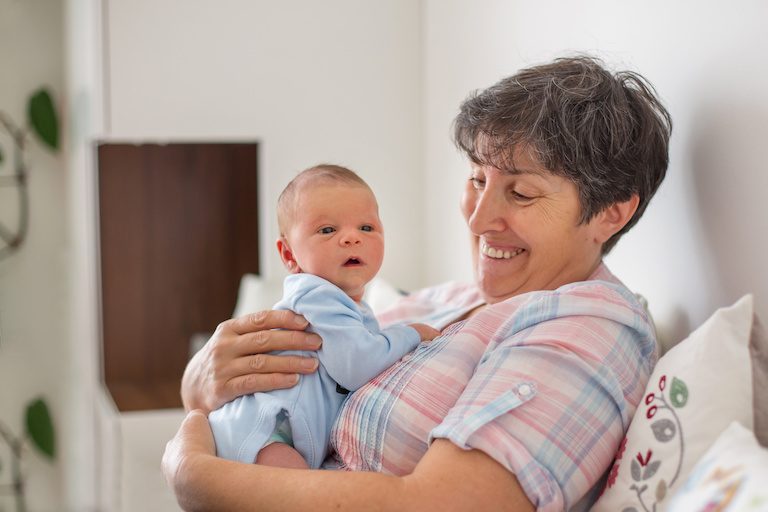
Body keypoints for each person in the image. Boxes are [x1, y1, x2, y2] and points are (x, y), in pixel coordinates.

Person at [163, 55, 672, 511]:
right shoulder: (451, 299)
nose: (476, 220)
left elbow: (443, 504)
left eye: (520, 193)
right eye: (477, 180)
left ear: (611, 212)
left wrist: (195, 474)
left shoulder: (589, 328)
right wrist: (200, 381)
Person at [208, 164, 439, 469]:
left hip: (277, 433)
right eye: (328, 230)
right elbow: (356, 365)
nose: (351, 238)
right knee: (303, 493)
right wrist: (411, 334)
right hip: (264, 431)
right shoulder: (316, 294)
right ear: (290, 255)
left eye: (366, 228)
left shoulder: (348, 305)